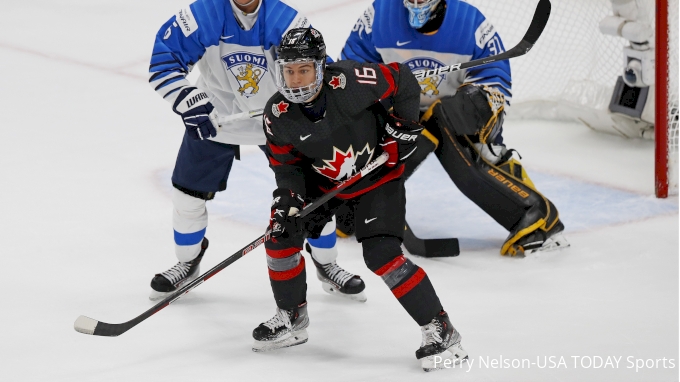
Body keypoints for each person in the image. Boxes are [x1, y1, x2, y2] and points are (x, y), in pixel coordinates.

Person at [252, 27, 467, 372]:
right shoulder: (276, 114)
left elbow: (404, 80)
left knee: (381, 254)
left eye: (304, 69)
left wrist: (403, 126)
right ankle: (292, 319)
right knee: (280, 237)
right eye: (289, 71)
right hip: (325, 185)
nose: (295, 80)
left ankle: (442, 330)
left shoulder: (351, 81)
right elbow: (286, 166)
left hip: (377, 177)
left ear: (321, 67)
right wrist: (289, 200)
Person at [146, 0, 365, 302]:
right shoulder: (201, 16)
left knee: (315, 193)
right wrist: (187, 98)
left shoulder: (287, 21)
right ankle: (187, 261)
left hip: (280, 118)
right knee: (187, 194)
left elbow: (317, 71)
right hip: (217, 119)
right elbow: (163, 62)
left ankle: (328, 264)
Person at [339, 0, 567, 256]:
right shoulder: (378, 15)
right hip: (400, 112)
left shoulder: (470, 23)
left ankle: (536, 217)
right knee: (357, 136)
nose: (416, 3)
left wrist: (473, 101)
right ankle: (354, 207)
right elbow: (352, 72)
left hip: (452, 113)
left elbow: (495, 81)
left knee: (457, 127)